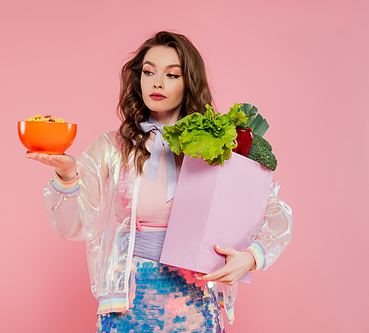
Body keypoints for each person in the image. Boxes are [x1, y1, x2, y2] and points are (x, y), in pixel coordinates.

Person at [26, 31, 293, 333]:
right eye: (149, 72)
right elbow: (72, 223)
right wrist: (67, 174)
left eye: (172, 74)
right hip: (127, 301)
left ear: (188, 82)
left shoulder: (218, 148)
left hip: (195, 301)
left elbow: (274, 213)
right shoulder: (112, 147)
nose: (157, 82)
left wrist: (251, 257)